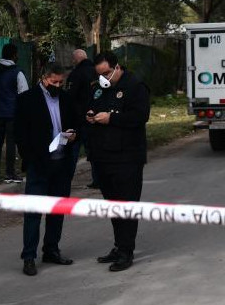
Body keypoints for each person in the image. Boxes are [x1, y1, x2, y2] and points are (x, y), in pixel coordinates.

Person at [86, 51, 150, 272]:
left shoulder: (135, 86)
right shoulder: (98, 87)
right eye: (99, 74)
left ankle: (126, 251)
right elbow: (92, 105)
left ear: (117, 67)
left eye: (106, 73)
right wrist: (91, 114)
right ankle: (118, 245)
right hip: (103, 156)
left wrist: (111, 118)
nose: (103, 77)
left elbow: (140, 117)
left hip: (127, 157)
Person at [15, 63, 77, 276]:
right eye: (54, 82)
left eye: (61, 82)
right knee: (34, 212)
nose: (58, 86)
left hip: (62, 163)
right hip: (39, 164)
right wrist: (31, 159)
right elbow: (20, 135)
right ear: (44, 78)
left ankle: (51, 249)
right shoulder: (27, 100)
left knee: (57, 210)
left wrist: (73, 135)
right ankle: (29, 256)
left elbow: (75, 122)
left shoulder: (66, 98)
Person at [0, 43, 28, 183]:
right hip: (12, 114)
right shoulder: (17, 72)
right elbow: (24, 95)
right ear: (14, 55)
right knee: (11, 143)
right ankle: (10, 173)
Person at [65, 48, 99, 188]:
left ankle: (66, 180)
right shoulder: (96, 72)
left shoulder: (76, 74)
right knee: (94, 151)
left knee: (72, 151)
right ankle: (98, 180)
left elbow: (70, 97)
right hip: (95, 118)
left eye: (73, 59)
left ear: (76, 59)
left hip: (78, 119)